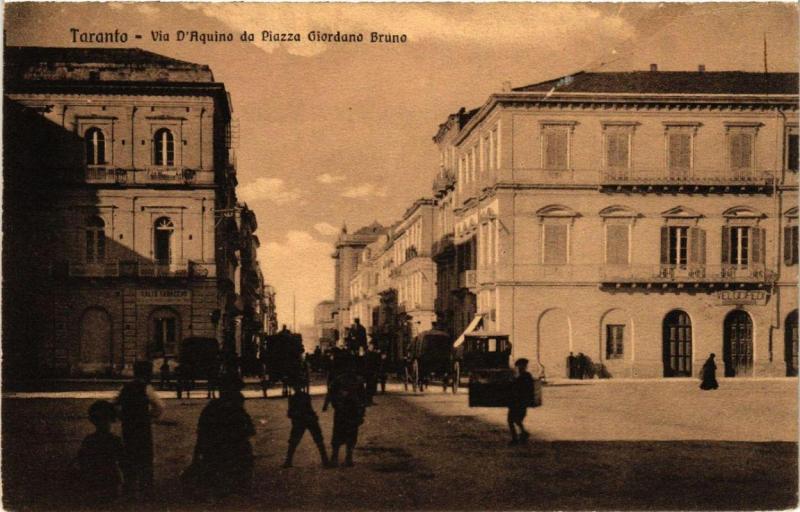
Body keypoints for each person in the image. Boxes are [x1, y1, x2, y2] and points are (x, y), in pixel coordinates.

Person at [192, 375, 255, 497]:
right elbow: (249, 430)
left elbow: (202, 433)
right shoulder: (236, 409)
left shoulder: (211, 408)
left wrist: (197, 454)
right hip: (230, 450)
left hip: (216, 450)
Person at [115, 361, 164, 495]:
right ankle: (146, 487)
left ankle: (130, 485)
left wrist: (123, 416)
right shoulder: (146, 388)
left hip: (128, 426)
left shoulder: (125, 387)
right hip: (143, 426)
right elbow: (159, 407)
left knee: (129, 454)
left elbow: (116, 404)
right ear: (147, 373)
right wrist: (150, 416)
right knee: (145, 456)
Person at [76, 400, 125, 504]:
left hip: (92, 483)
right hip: (111, 482)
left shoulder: (89, 440)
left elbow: (82, 461)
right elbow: (123, 461)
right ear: (111, 420)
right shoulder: (115, 440)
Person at [322, 354, 367, 467]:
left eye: (352, 368)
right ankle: (335, 457)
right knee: (339, 433)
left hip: (352, 411)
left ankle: (348, 457)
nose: (351, 370)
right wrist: (331, 404)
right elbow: (331, 392)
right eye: (349, 368)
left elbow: (363, 399)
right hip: (342, 411)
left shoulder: (358, 381)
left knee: (350, 435)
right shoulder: (340, 380)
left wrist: (361, 413)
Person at [282, 384, 329, 468]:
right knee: (318, 440)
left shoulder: (293, 398)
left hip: (300, 420)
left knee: (294, 441)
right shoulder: (306, 396)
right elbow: (309, 409)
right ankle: (325, 460)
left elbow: (290, 413)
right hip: (309, 419)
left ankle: (288, 461)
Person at [508, 358, 535, 445]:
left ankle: (517, 437)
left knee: (513, 420)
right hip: (518, 402)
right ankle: (522, 434)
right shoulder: (522, 375)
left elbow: (525, 389)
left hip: (519, 402)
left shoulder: (524, 376)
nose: (519, 367)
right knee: (515, 420)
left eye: (520, 366)